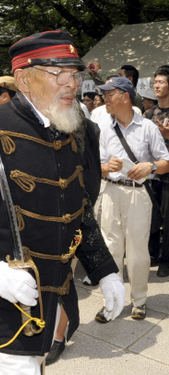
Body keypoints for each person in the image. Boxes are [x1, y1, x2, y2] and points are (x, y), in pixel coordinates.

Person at [0, 30, 123, 374]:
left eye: (75, 74)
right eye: (58, 74)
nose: (71, 84)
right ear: (23, 79)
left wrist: (104, 269)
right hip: (0, 309)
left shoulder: (76, 130)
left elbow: (77, 208)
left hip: (52, 302)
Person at [96, 76, 169, 321]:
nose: (104, 98)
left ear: (124, 97)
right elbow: (95, 164)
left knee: (138, 251)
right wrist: (106, 166)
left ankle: (139, 300)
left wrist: (148, 167)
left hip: (138, 194)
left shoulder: (147, 127)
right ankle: (112, 302)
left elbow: (165, 162)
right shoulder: (104, 127)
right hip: (110, 190)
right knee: (110, 248)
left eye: (109, 94)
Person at [143, 69, 169, 277]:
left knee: (167, 220)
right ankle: (152, 253)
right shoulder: (149, 114)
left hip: (168, 177)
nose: (156, 85)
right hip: (151, 175)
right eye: (155, 82)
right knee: (151, 216)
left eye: (161, 82)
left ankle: (166, 260)